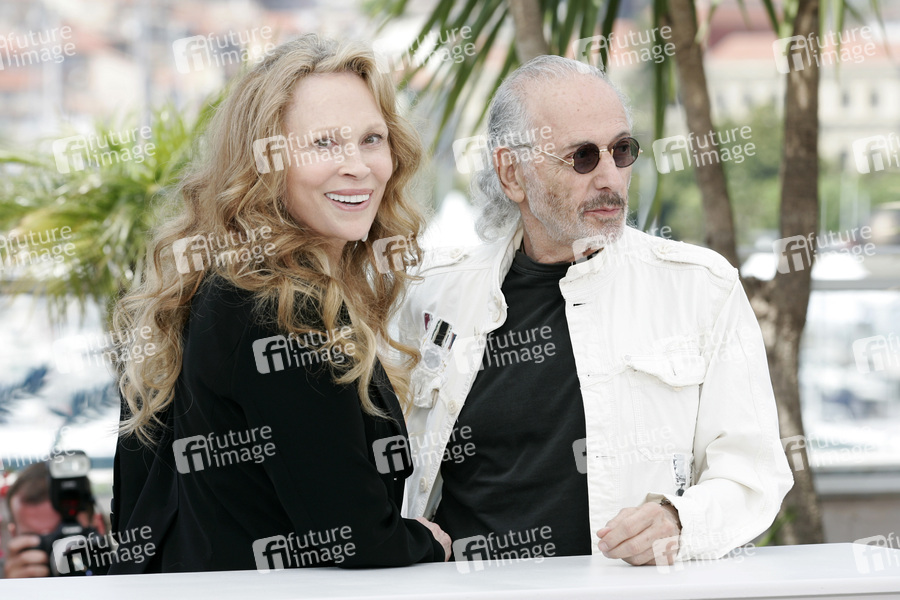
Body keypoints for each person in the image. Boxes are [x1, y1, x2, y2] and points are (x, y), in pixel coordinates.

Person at [395, 55, 793, 566]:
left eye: (621, 150)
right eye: (582, 156)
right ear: (512, 173)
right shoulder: (431, 295)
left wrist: (680, 521)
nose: (610, 176)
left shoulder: (700, 287)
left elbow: (754, 473)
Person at [109, 34, 450, 573]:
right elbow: (356, 538)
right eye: (323, 144)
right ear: (264, 162)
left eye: (371, 138)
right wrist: (427, 541)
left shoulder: (202, 283)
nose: (358, 166)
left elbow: (134, 514)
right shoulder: (282, 306)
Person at [2, 462, 106, 578]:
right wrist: (14, 587)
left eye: (64, 536)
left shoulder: (119, 574)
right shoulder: (11, 583)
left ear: (99, 526)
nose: (56, 553)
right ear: (14, 535)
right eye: (41, 541)